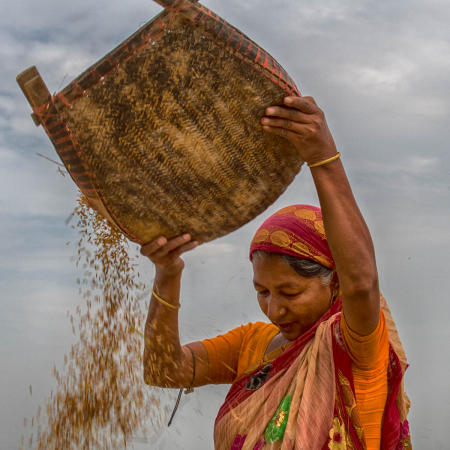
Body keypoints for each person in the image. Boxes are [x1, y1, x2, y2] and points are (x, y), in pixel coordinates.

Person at [140, 96, 411, 449]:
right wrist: (167, 272)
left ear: (335, 283)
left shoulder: (354, 343)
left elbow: (362, 283)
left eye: (290, 292)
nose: (274, 309)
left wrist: (322, 156)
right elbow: (164, 370)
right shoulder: (253, 345)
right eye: (262, 291)